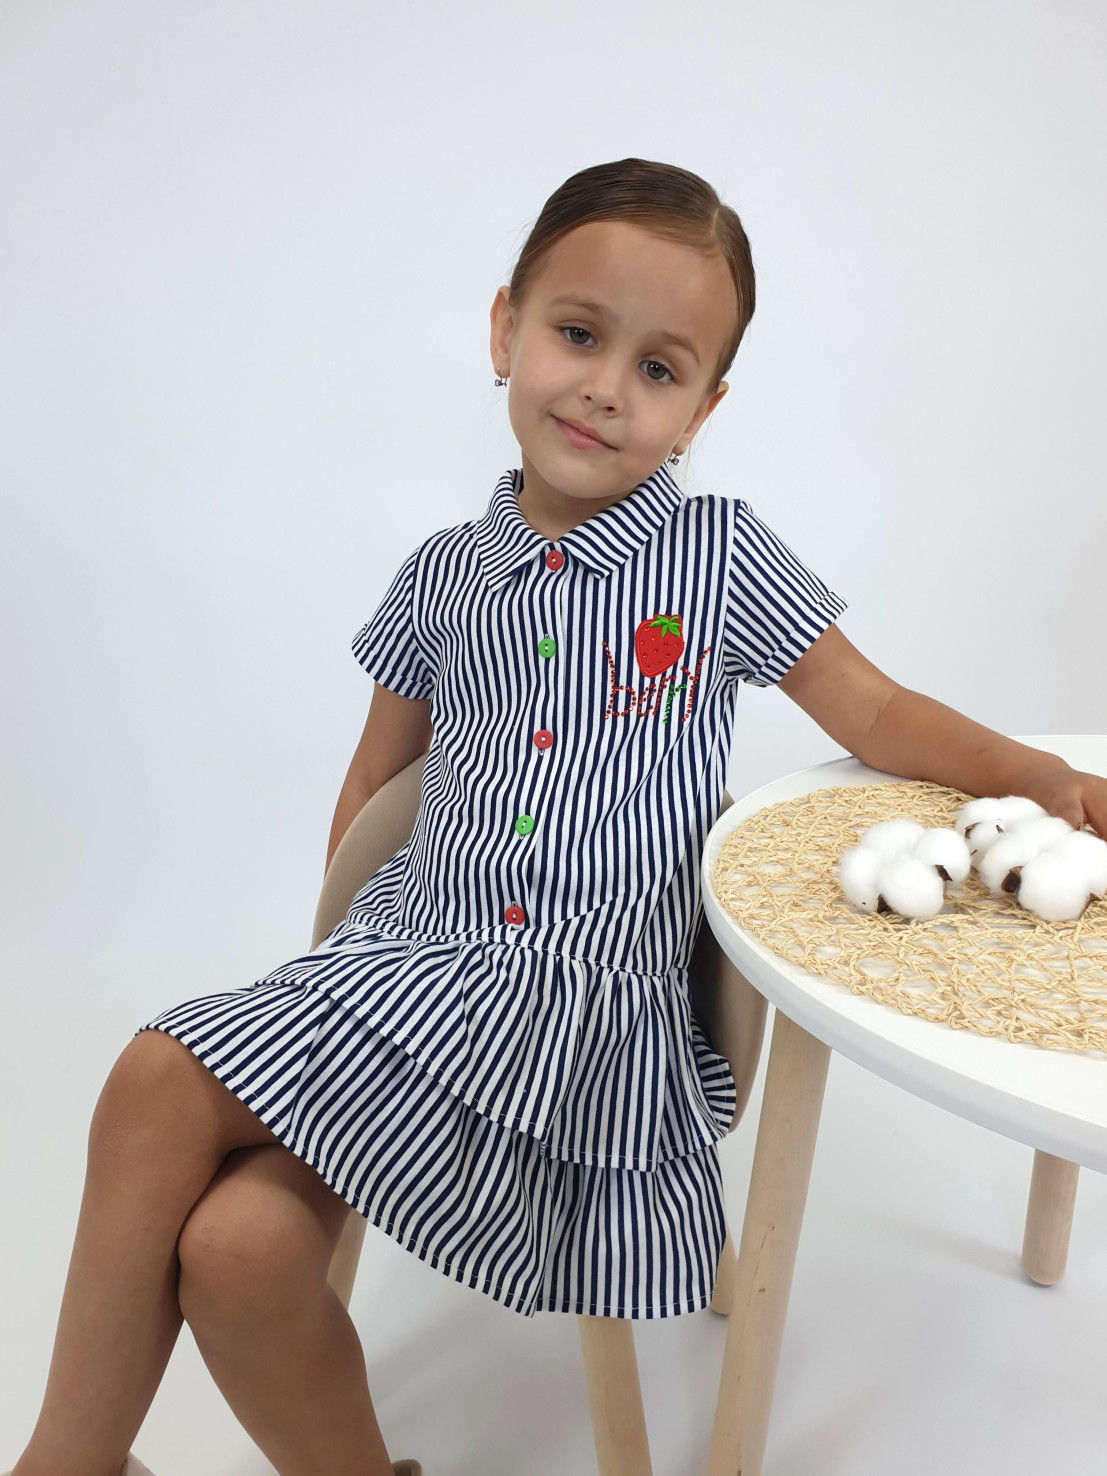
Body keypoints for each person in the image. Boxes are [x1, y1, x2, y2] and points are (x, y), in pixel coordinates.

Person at [8, 157, 1105, 1476]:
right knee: (239, 1249)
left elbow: (872, 710)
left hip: (576, 1015)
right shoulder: (441, 573)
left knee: (153, 1078)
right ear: (504, 330)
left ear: (703, 409)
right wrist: (318, 1002)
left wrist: (1035, 777)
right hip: (402, 972)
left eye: (660, 368)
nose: (606, 387)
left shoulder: (718, 556)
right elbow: (373, 793)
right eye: (579, 334)